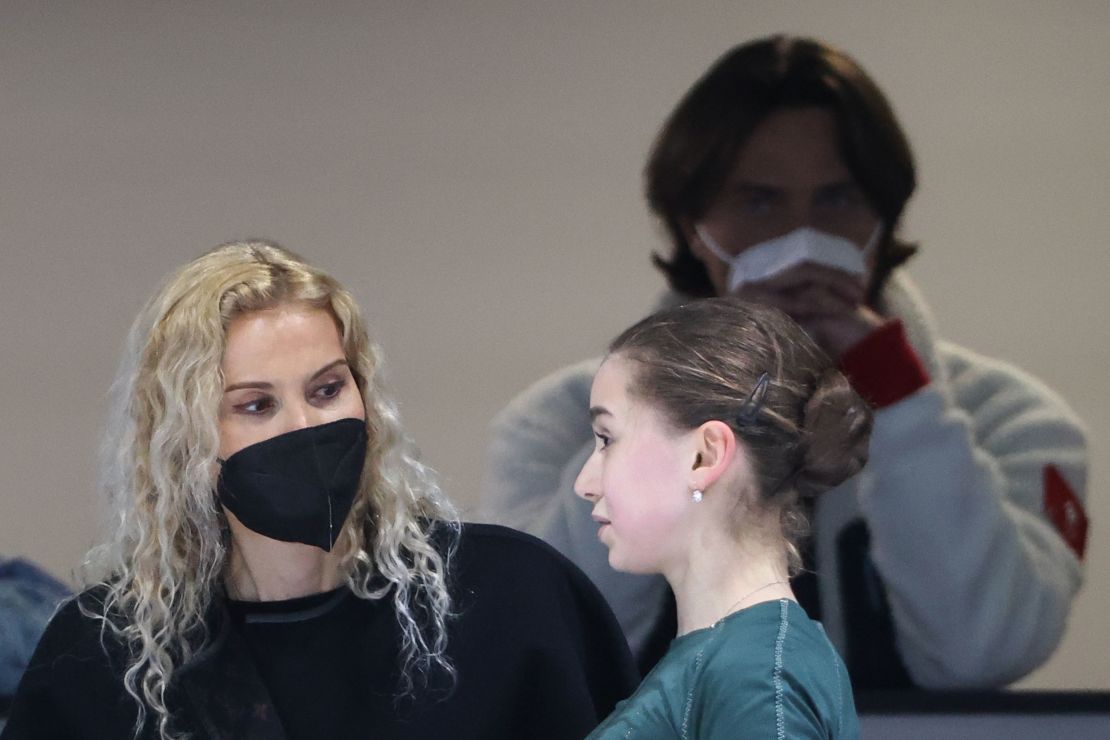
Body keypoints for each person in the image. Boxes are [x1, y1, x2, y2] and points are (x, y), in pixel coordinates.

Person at [482, 35, 1089, 689]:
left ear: (883, 217)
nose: (802, 238)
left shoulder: (1013, 420)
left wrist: (900, 397)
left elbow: (986, 653)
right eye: (759, 201)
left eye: (837, 200)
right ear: (693, 226)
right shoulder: (556, 424)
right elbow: (554, 646)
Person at [2, 241, 636, 740]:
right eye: (255, 405)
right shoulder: (107, 659)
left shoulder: (508, 594)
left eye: (327, 390)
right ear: (185, 439)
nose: (304, 427)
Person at [578, 298, 863, 738]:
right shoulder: (744, 661)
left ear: (704, 455)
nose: (585, 482)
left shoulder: (754, 675)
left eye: (606, 438)